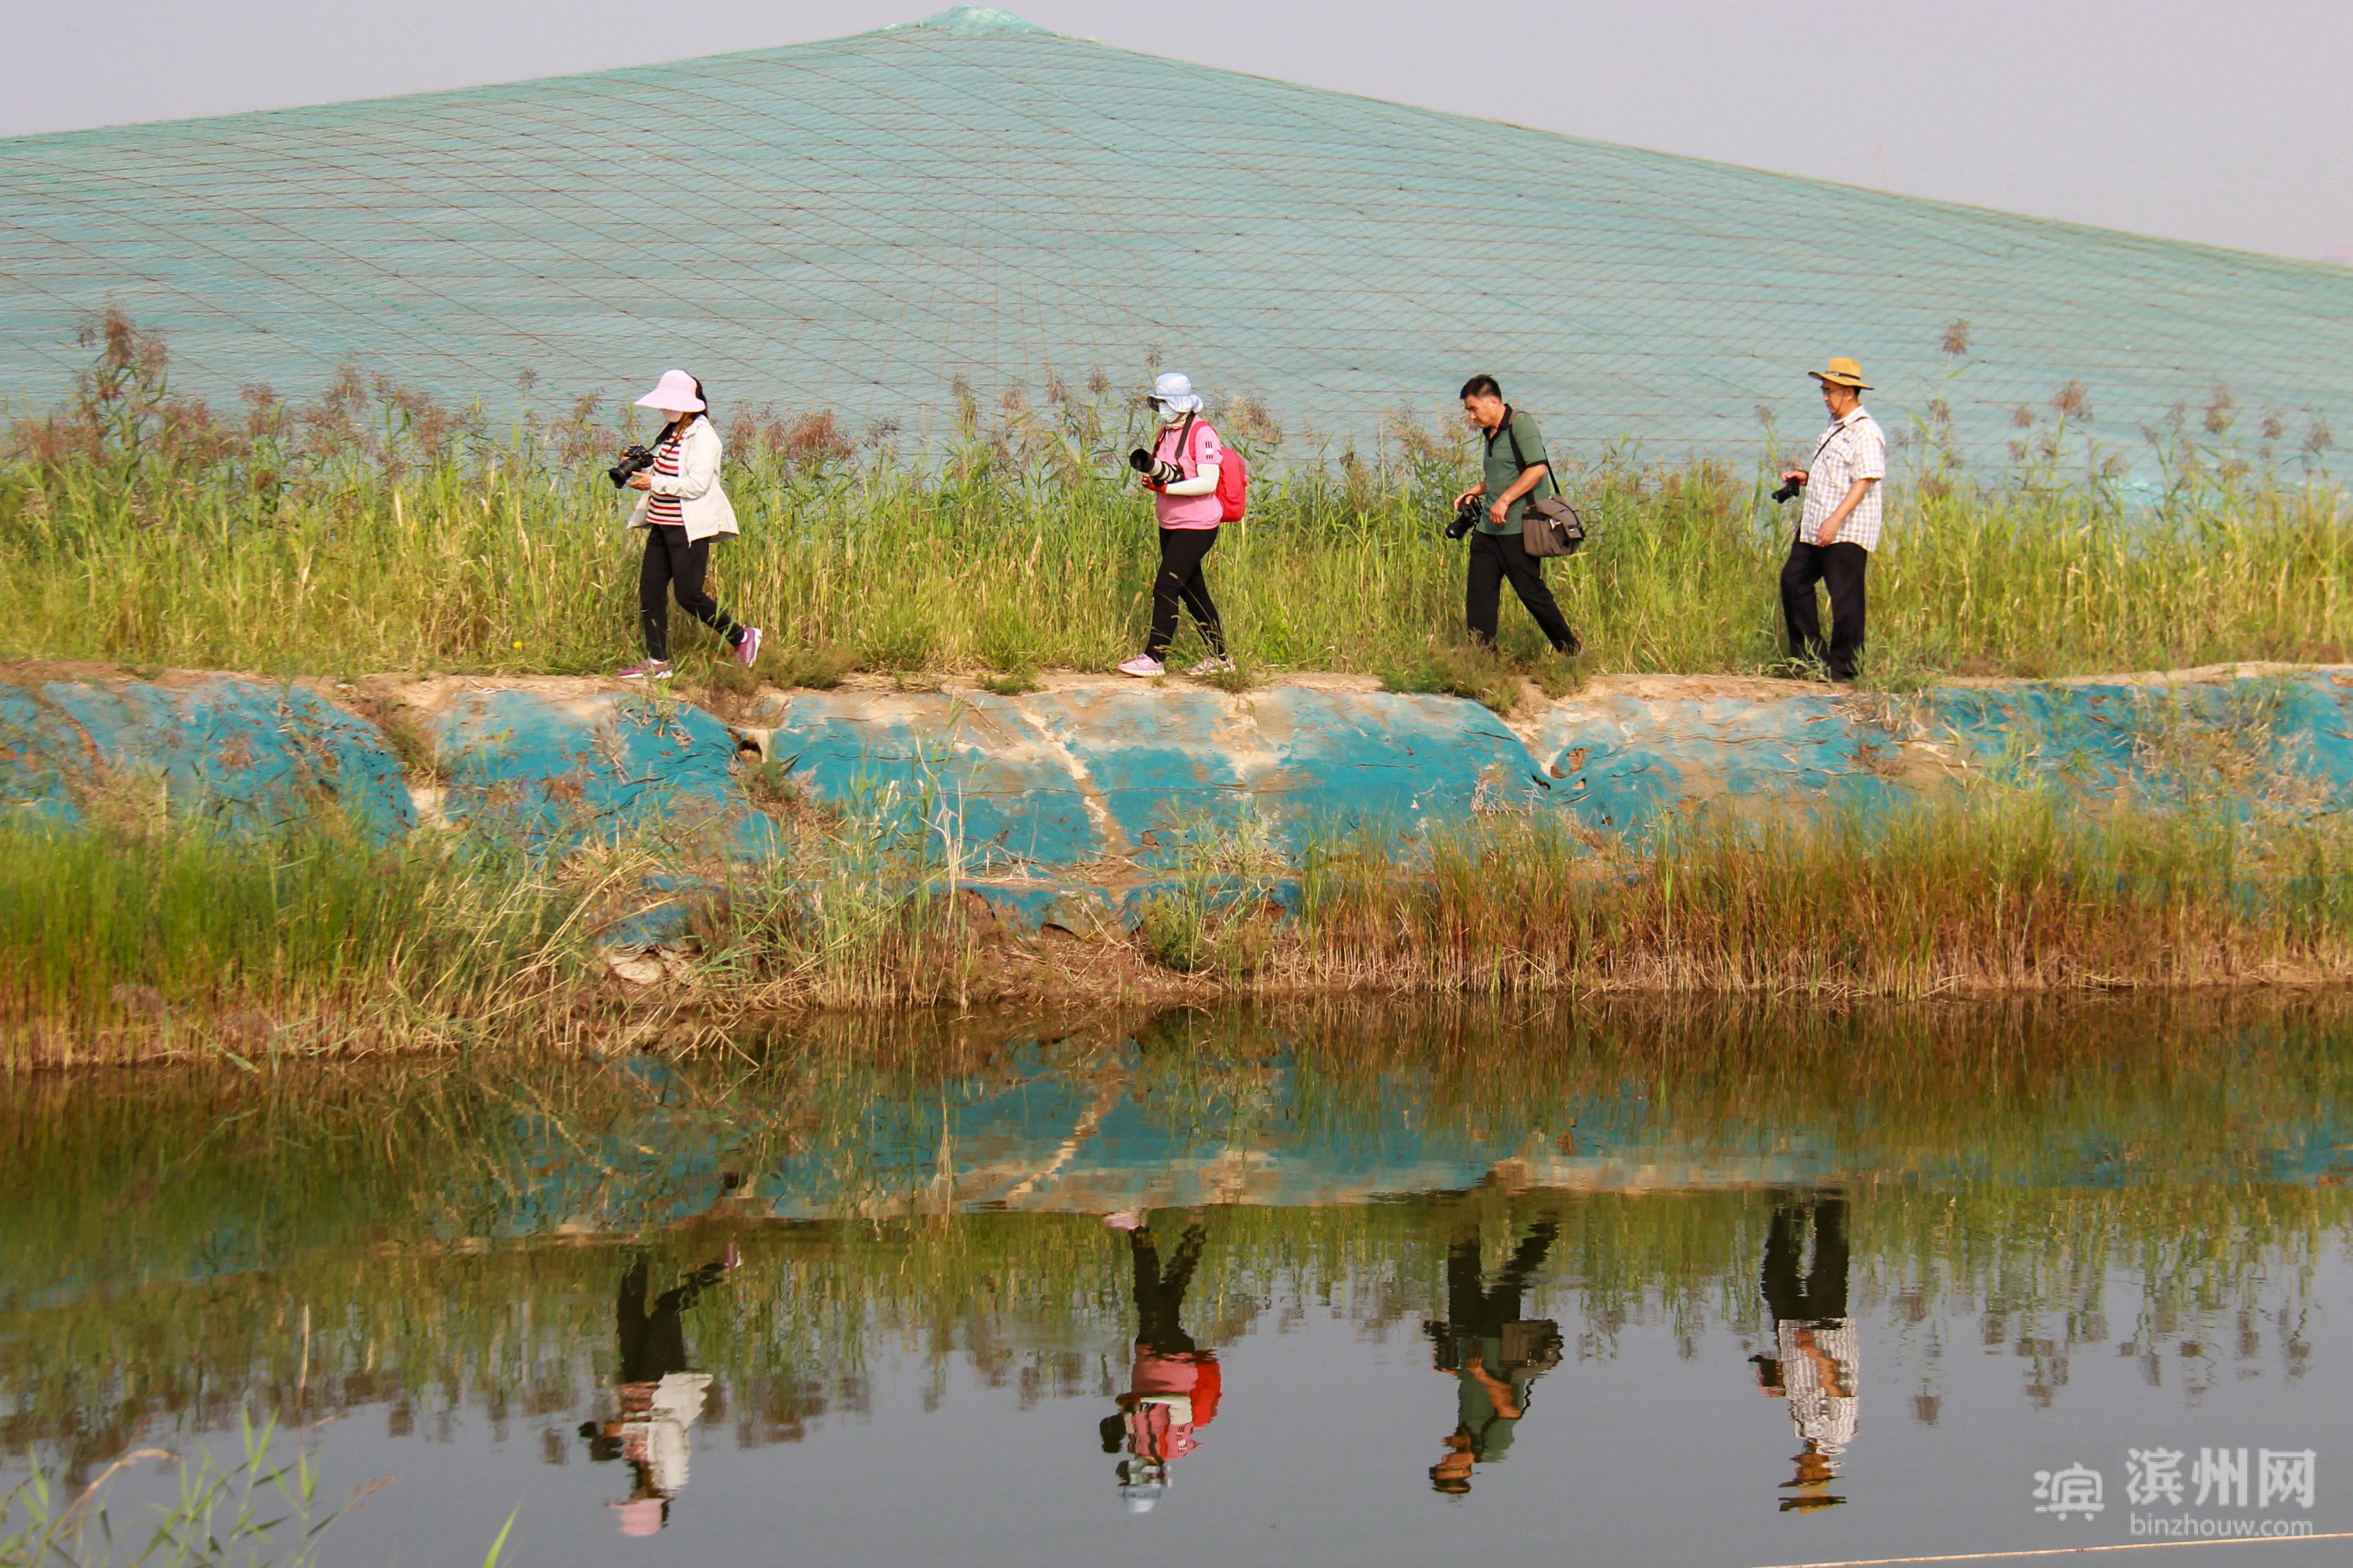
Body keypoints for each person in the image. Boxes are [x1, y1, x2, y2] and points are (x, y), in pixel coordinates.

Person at [579, 1245, 738, 1535]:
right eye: (633, 1502)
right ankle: (721, 1268)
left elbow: (632, 1427)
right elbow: (668, 1426)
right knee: (666, 1310)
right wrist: (625, 1428)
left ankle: (634, 1247)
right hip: (664, 1380)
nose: (631, 1495)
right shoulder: (674, 1474)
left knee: (628, 1312)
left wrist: (604, 1433)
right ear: (653, 1504)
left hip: (634, 1384)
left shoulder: (640, 1472)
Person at [618, 369, 761, 680]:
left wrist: (653, 483)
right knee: (650, 592)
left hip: (689, 528)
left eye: (671, 403)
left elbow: (697, 485)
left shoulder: (704, 436)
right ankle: (658, 663)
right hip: (661, 523)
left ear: (690, 404)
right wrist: (641, 464)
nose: (665, 409)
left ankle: (742, 637)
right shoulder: (672, 431)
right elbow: (669, 468)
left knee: (689, 595)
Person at [1425, 1218, 1561, 1494]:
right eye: (1447, 1466)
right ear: (1464, 1472)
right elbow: (1511, 1410)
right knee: (1509, 1281)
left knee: (1460, 1272)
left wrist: (1457, 1372)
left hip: (1468, 1341)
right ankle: (1547, 1229)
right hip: (1497, 1342)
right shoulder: (1493, 1448)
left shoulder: (1462, 1434)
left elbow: (1476, 1396)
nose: (1445, 1459)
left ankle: (1466, 1216)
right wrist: (1482, 1376)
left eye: (1442, 1463)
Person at [1100, 1210, 1222, 1512]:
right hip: (1172, 1359)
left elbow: (1134, 1409)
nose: (1130, 1472)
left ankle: (1197, 1230)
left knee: (1171, 1290)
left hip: (1148, 1355)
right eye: (1135, 1479)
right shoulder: (1175, 1448)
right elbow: (1181, 1407)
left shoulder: (1134, 1445)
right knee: (1146, 1297)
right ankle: (1138, 1229)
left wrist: (1119, 1421)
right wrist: (1144, 1400)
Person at [1451, 376, 1582, 658]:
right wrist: (1476, 490)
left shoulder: (1520, 424)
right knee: (1480, 596)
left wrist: (1505, 500)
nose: (1472, 417)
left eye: (1473, 409)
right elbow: (1506, 473)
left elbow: (1537, 469)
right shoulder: (1490, 432)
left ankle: (1572, 653)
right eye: (1469, 411)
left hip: (1518, 528)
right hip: (1488, 530)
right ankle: (1482, 661)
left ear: (1493, 401)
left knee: (1531, 593)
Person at [1777, 358, 1887, 683]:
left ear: (1850, 392)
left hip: (1846, 529)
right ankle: (1810, 660)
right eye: (1824, 390)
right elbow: (1840, 475)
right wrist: (1806, 477)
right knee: (1793, 581)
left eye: (1831, 391)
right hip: (1815, 526)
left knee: (1845, 598)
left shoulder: (1866, 431)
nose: (1825, 397)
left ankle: (1845, 670)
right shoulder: (1835, 428)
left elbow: (1864, 480)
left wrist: (1836, 520)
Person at [1119, 372, 1234, 680]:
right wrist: (1156, 478)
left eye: (1165, 402)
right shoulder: (1165, 432)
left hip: (1197, 524)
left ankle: (1155, 658)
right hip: (1170, 522)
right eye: (1157, 402)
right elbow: (1171, 472)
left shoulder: (1203, 434)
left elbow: (1207, 483)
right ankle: (1221, 658)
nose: (1161, 408)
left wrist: (1166, 489)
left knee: (1166, 586)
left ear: (1181, 403)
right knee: (1193, 591)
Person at [1749, 1193, 1856, 1512]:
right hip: (1826, 1334)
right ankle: (1830, 1199)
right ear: (1821, 1472)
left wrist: (1782, 1384)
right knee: (1829, 1263)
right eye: (1805, 1475)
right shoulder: (1839, 1435)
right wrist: (1814, 1353)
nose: (1799, 1470)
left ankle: (1789, 1209)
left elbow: (1808, 1391)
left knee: (1775, 1278)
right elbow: (1837, 1388)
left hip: (1796, 1339)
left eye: (1799, 1476)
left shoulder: (1803, 1432)